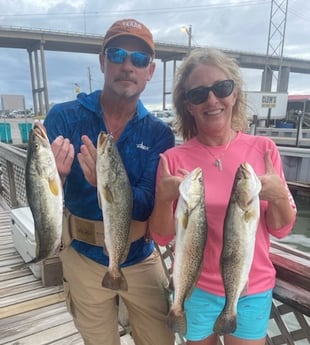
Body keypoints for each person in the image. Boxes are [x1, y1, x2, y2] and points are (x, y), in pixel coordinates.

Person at [149, 47, 297, 345]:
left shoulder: (264, 150)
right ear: (187, 105)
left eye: (222, 88)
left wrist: (279, 194)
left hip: (251, 288)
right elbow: (162, 237)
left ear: (235, 94)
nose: (212, 100)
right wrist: (164, 199)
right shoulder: (172, 159)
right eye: (198, 94)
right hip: (195, 287)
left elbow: (282, 229)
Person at [44, 18, 175, 345]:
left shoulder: (159, 133)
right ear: (103, 61)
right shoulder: (63, 117)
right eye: (117, 54)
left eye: (139, 59)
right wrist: (53, 177)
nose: (128, 65)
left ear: (151, 71)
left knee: (161, 340)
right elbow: (45, 194)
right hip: (82, 255)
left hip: (141, 255)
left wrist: (110, 187)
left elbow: (146, 203)